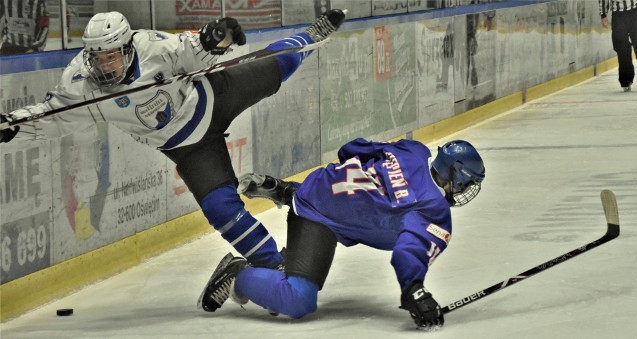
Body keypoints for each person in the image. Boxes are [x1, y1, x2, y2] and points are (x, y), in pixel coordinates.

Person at [0, 9, 346, 304]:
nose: (105, 66)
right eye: (98, 58)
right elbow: (52, 115)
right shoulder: (81, 84)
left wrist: (216, 38)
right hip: (188, 146)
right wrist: (14, 125)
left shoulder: (152, 46)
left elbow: (195, 49)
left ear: (126, 46)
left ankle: (310, 35)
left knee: (276, 64)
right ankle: (272, 267)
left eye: (111, 56)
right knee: (219, 208)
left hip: (215, 95)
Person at [200, 137, 486, 330]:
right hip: (318, 218)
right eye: (467, 183)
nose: (465, 190)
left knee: (355, 206)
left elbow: (353, 149)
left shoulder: (415, 151)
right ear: (456, 175)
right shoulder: (434, 210)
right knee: (295, 299)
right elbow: (409, 253)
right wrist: (415, 291)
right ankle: (238, 274)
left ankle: (290, 192)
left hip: (323, 187)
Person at [599, 0, 637, 92]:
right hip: (618, 15)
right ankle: (626, 80)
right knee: (622, 47)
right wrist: (603, 15)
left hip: (635, 12)